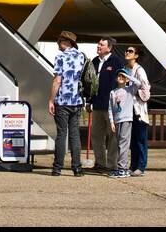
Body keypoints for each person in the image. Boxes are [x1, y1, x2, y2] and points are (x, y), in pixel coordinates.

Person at [48, 30, 87, 177]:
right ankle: (77, 168)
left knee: (61, 134)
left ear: (67, 42)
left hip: (63, 100)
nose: (58, 43)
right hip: (76, 101)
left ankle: (57, 168)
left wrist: (51, 100)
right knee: (75, 135)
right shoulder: (81, 56)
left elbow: (57, 80)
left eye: (60, 41)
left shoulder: (60, 57)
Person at [88, 38, 123, 173]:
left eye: (101, 45)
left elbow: (119, 82)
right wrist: (89, 100)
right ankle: (100, 163)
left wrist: (117, 102)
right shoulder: (95, 61)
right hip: (97, 105)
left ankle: (112, 164)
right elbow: (90, 82)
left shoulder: (116, 61)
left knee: (113, 136)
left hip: (111, 106)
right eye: (98, 44)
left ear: (109, 48)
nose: (98, 46)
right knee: (96, 135)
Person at [122, 45, 152, 176]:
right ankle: (133, 165)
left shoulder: (140, 70)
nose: (127, 53)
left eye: (130, 51)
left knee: (140, 139)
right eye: (126, 51)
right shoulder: (124, 69)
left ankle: (141, 166)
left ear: (136, 55)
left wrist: (134, 91)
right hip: (127, 109)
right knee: (132, 139)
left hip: (138, 109)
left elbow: (146, 90)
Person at [109, 68, 136, 178]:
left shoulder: (130, 90)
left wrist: (127, 76)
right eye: (119, 76)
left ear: (127, 79)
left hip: (126, 119)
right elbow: (110, 108)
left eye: (123, 76)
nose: (120, 77)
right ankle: (122, 167)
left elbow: (138, 83)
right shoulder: (113, 92)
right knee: (119, 144)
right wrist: (112, 121)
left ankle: (122, 168)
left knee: (123, 144)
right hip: (117, 121)